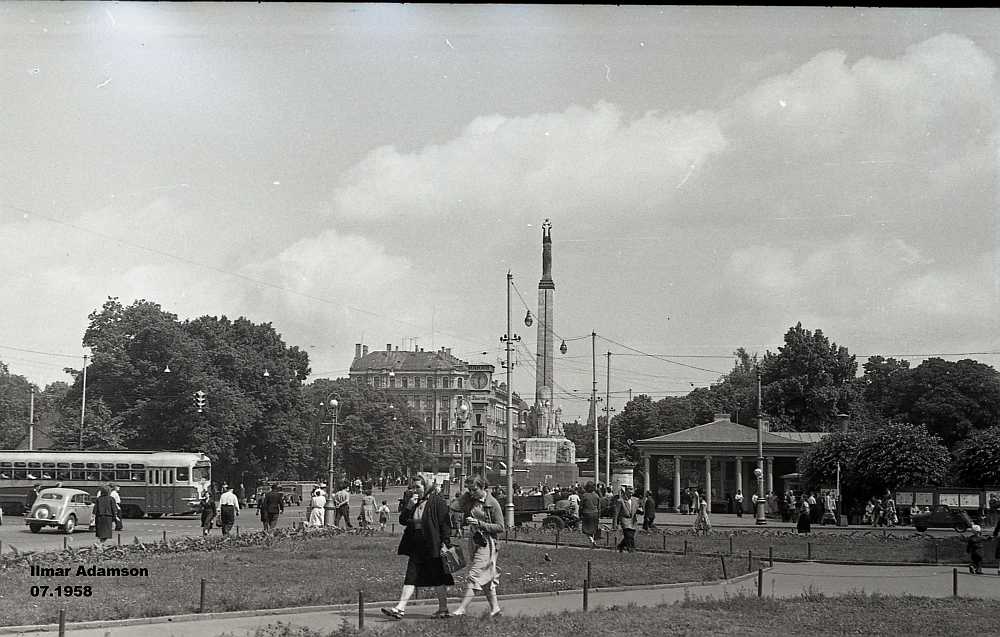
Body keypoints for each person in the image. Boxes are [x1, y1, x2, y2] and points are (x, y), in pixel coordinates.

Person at [381, 476, 454, 620]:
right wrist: (409, 506)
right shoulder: (415, 502)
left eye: (418, 487)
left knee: (438, 577)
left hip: (433, 544)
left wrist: (445, 543)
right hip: (417, 544)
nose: (415, 490)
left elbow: (445, 524)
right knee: (411, 575)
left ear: (426, 487)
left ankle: (443, 609)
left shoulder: (437, 501)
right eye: (413, 487)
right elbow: (402, 521)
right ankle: (400, 608)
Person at [452, 477, 505, 617]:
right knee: (485, 577)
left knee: (474, 575)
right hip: (474, 540)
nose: (472, 492)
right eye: (469, 490)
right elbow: (454, 507)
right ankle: (495, 609)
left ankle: (462, 609)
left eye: (474, 489)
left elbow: (500, 527)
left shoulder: (492, 503)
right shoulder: (471, 500)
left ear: (484, 488)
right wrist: (467, 495)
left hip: (487, 542)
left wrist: (479, 523)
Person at [614, 485, 641, 552]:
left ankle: (621, 546)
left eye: (632, 491)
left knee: (631, 535)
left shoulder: (636, 500)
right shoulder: (620, 501)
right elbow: (616, 513)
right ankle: (631, 549)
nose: (631, 493)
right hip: (624, 520)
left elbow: (638, 508)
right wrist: (615, 523)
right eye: (629, 491)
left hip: (633, 520)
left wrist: (640, 511)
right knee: (629, 535)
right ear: (626, 491)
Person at [579, 481, 601, 546]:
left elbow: (581, 506)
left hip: (587, 514)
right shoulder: (596, 496)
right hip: (595, 513)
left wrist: (580, 514)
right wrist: (599, 515)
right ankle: (593, 540)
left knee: (586, 529)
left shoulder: (584, 495)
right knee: (593, 528)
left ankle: (592, 541)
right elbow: (599, 507)